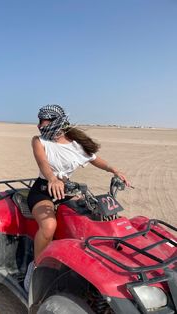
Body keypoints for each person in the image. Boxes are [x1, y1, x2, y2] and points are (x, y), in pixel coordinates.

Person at [24, 104, 130, 292]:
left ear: (56, 121)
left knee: (90, 221)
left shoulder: (76, 144)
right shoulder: (39, 141)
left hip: (66, 190)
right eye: (39, 120)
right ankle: (37, 267)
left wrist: (113, 170)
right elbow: (43, 163)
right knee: (49, 227)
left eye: (44, 120)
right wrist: (52, 179)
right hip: (43, 191)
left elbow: (94, 159)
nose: (39, 125)